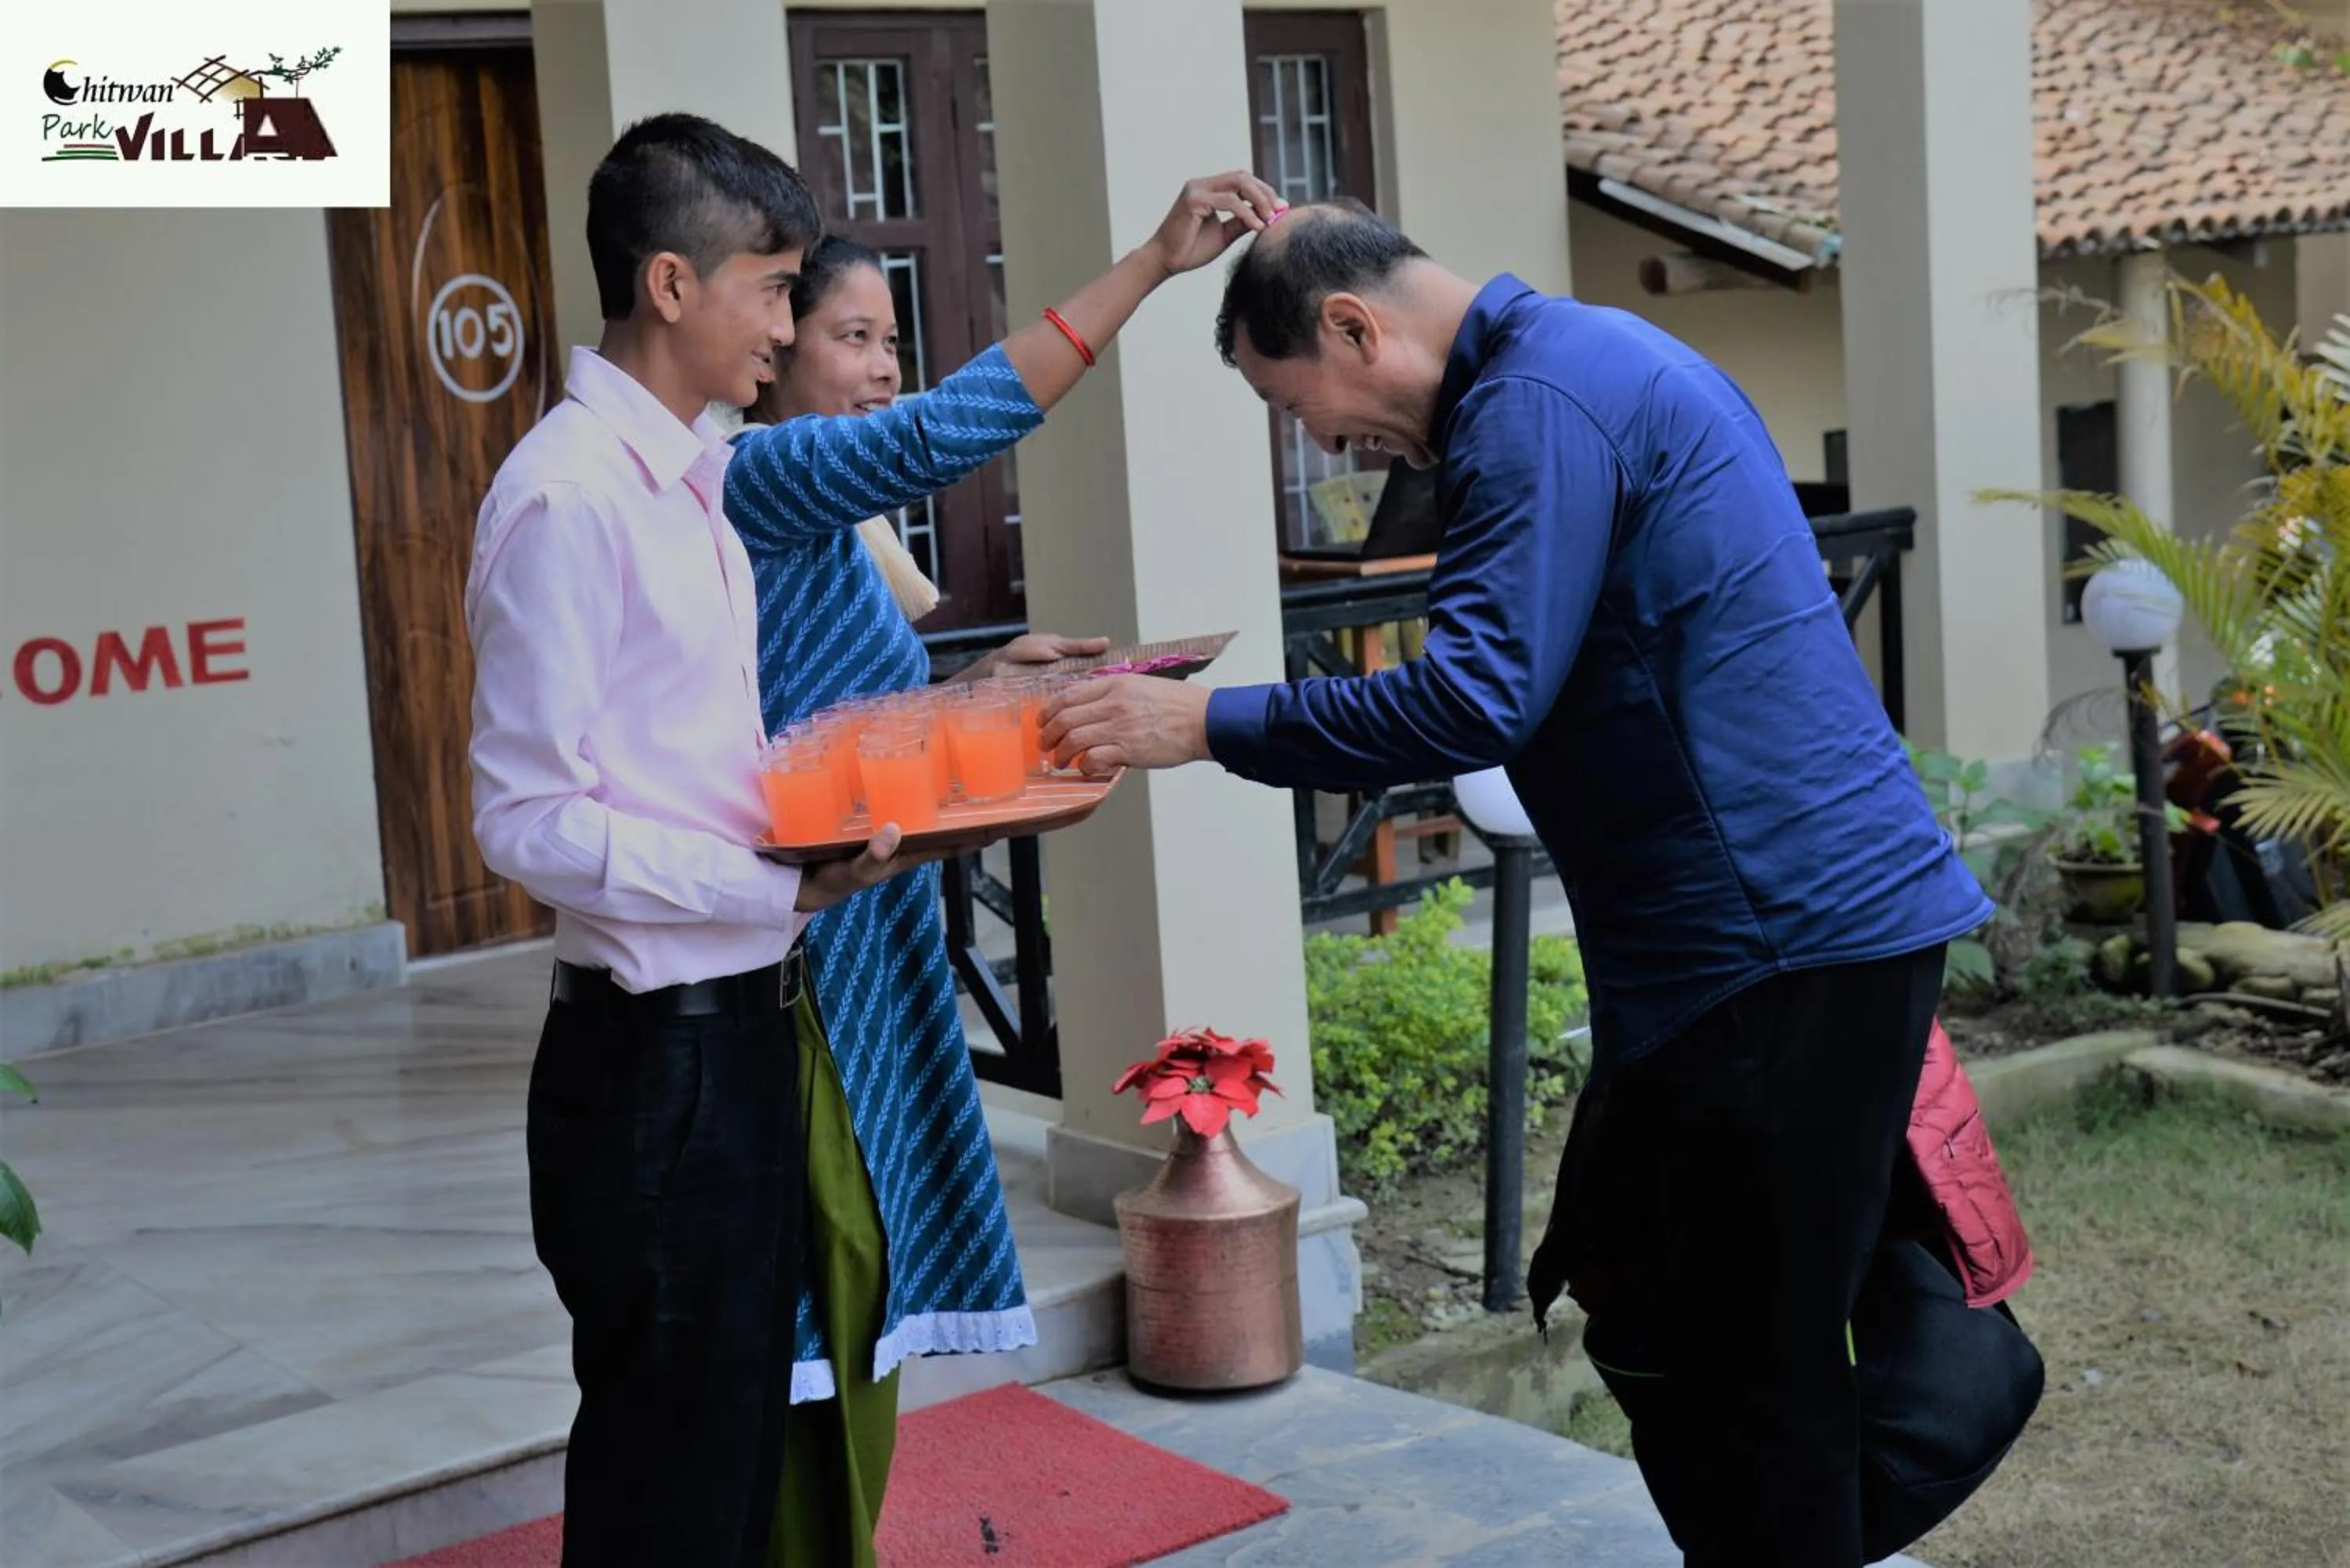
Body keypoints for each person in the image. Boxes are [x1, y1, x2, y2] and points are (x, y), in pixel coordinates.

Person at [1039, 200, 2007, 1566]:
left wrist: (1203, 723)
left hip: (1774, 942)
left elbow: (1475, 696)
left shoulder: (1532, 404)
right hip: (1779, 936)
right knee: (1672, 1308)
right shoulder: (1599, 357)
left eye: (1298, 406)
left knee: (1745, 1366)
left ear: (1354, 327)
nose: (1328, 446)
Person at [718, 174, 1287, 1567]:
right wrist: (1151, 261)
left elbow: (843, 718)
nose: (883, 368)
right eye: (852, 336)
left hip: (872, 932)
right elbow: (956, 425)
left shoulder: (821, 518)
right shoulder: (762, 475)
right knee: (830, 1268)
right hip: (809, 949)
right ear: (772, 346)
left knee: (861, 1281)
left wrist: (979, 686)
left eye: (891, 341)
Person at [466, 114, 950, 1568]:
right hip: (651, 1067)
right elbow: (527, 815)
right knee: (667, 1492)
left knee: (738, 1460)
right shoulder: (566, 497)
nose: (788, 328)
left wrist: (825, 837)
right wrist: (763, 885)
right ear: (670, 284)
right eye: (774, 288)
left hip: (744, 1034)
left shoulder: (696, 487)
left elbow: (692, 765)